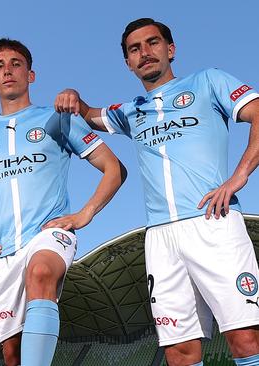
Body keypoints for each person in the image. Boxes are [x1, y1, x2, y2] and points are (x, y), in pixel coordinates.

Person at [55, 17, 259, 366]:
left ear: (170, 49)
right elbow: (89, 114)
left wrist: (238, 177)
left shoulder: (208, 81)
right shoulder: (131, 111)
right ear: (128, 63)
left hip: (213, 222)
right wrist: (73, 95)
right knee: (179, 351)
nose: (144, 52)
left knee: (245, 337)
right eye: (135, 49)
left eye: (152, 43)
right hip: (161, 238)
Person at [0, 39, 126, 366]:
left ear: (31, 75)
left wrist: (85, 213)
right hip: (2, 252)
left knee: (42, 272)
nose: (7, 71)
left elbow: (114, 168)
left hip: (49, 233)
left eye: (16, 64)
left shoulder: (57, 119)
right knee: (12, 354)